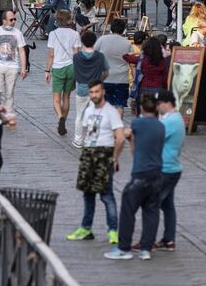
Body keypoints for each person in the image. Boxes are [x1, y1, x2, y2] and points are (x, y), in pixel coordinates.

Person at [105, 94, 165, 261]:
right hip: (157, 173)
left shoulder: (138, 123)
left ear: (142, 108)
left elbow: (131, 146)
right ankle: (146, 248)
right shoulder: (161, 127)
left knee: (128, 209)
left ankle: (124, 247)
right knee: (151, 211)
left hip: (141, 173)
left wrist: (129, 139)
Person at [66, 80, 125, 245]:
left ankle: (113, 230)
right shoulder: (89, 110)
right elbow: (87, 132)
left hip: (104, 153)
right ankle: (86, 228)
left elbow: (120, 138)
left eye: (96, 92)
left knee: (107, 195)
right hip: (89, 153)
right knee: (87, 194)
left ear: (103, 92)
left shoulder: (111, 112)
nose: (93, 95)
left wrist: (114, 157)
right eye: (91, 92)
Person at [153, 90, 184, 251]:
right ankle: (169, 239)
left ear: (167, 103)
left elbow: (154, 136)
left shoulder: (170, 120)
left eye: (158, 104)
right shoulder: (174, 118)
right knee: (167, 205)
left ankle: (148, 240)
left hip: (166, 168)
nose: (157, 107)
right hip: (171, 166)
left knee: (153, 203)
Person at [45, 9, 80, 136]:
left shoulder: (53, 34)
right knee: (66, 97)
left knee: (56, 99)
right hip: (71, 67)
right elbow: (76, 53)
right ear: (69, 20)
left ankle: (60, 117)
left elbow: (51, 55)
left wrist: (47, 70)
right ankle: (63, 120)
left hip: (58, 67)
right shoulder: (75, 34)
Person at [71, 31, 109, 147]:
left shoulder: (76, 57)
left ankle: (78, 140)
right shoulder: (100, 56)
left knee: (79, 115)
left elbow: (74, 72)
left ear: (82, 42)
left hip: (82, 88)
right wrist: (100, 79)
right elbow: (106, 72)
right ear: (94, 42)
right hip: (96, 88)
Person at [0, 11, 27, 110]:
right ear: (4, 20)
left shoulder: (18, 33)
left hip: (13, 66)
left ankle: (7, 113)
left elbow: (22, 51)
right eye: (11, 20)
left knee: (10, 92)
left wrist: (23, 68)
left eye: (14, 19)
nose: (13, 21)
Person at [95, 19, 131, 111]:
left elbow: (94, 54)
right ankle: (118, 124)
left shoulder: (102, 39)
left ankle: (108, 123)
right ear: (123, 29)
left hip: (105, 77)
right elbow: (130, 60)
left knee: (106, 105)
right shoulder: (127, 43)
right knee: (120, 105)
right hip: (122, 78)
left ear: (111, 28)